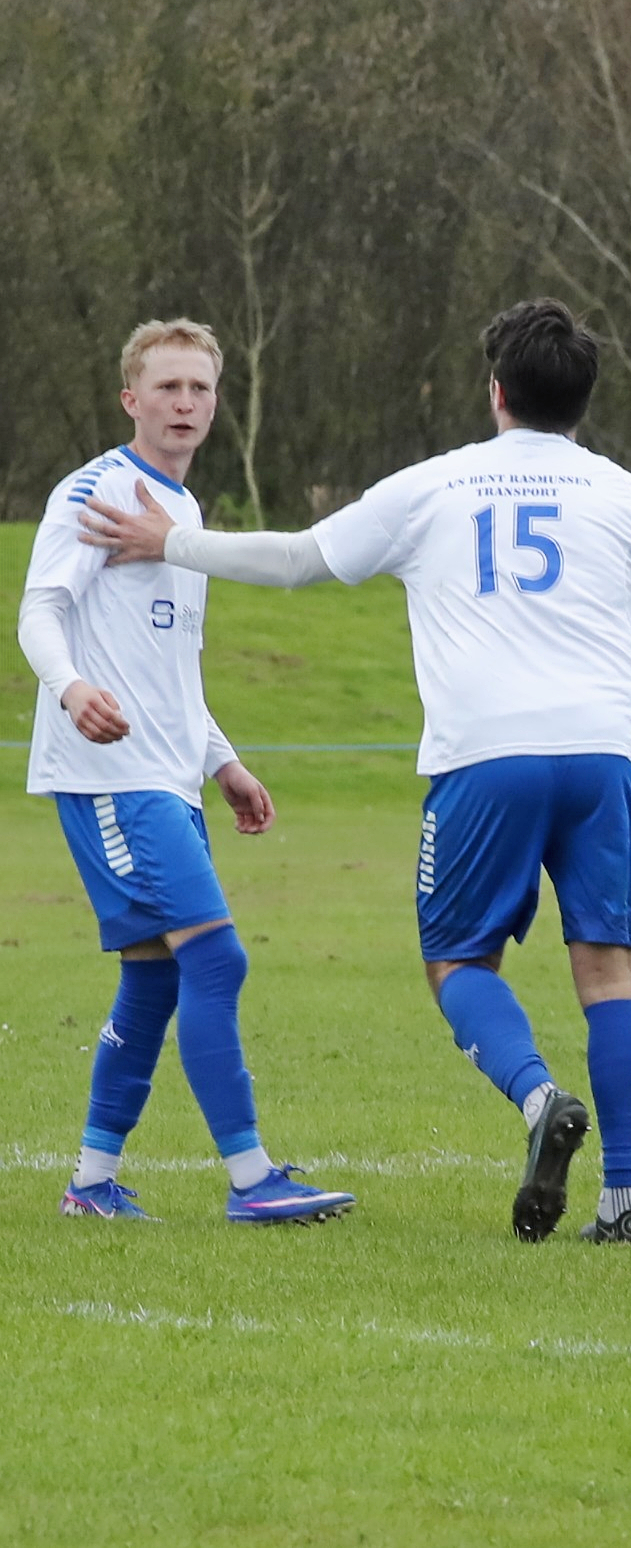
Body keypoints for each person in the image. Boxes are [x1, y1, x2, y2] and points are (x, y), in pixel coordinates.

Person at [81, 298, 631, 1246]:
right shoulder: (628, 496)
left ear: (495, 392)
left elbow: (297, 561)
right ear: (584, 400)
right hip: (611, 755)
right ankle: (624, 1203)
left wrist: (172, 542)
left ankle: (537, 1101)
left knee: (457, 962)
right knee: (610, 971)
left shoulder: (435, 487)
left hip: (485, 757)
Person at [19, 319, 353, 1224]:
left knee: (155, 979)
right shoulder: (94, 491)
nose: (184, 404)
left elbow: (172, 669)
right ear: (132, 397)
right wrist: (71, 683)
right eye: (167, 387)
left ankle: (89, 1185)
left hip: (168, 777)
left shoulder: (182, 517)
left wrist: (225, 761)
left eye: (200, 389)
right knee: (218, 958)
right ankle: (252, 1180)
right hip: (113, 778)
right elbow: (40, 609)